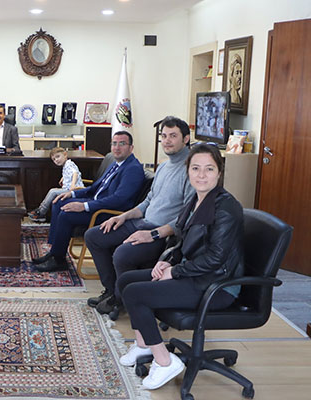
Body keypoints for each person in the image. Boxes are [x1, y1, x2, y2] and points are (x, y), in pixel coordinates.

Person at [116, 143, 243, 390]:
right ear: (188, 171)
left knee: (135, 293)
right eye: (195, 168)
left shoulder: (226, 208)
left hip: (216, 285)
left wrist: (174, 272)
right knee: (126, 280)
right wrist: (168, 260)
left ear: (219, 172)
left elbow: (215, 259)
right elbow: (183, 241)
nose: (201, 175)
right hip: (195, 273)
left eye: (209, 169)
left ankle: (165, 362)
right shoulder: (197, 199)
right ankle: (144, 345)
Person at [85, 116, 195, 315]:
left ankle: (122, 300)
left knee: (122, 254)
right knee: (94, 236)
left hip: (163, 234)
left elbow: (187, 218)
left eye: (173, 136)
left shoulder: (192, 171)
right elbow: (148, 201)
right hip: (142, 222)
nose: (167, 141)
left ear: (186, 139)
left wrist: (153, 234)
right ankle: (112, 291)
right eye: (164, 136)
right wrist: (123, 217)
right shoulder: (164, 166)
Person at [33, 131, 145, 272]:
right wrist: (72, 193)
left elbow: (119, 200)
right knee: (58, 201)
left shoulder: (132, 168)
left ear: (131, 147)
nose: (117, 147)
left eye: (122, 144)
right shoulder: (116, 163)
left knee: (66, 214)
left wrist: (84, 206)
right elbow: (94, 187)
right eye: (114, 143)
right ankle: (55, 251)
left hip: (108, 212)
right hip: (96, 202)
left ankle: (59, 260)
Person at [28, 147, 83, 222]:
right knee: (54, 191)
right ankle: (40, 210)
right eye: (54, 159)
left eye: (58, 156)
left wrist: (73, 185)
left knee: (53, 192)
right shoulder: (66, 164)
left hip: (74, 190)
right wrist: (63, 178)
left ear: (65, 154)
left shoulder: (69, 164)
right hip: (68, 189)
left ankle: (41, 212)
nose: (56, 160)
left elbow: (75, 173)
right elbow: (70, 173)